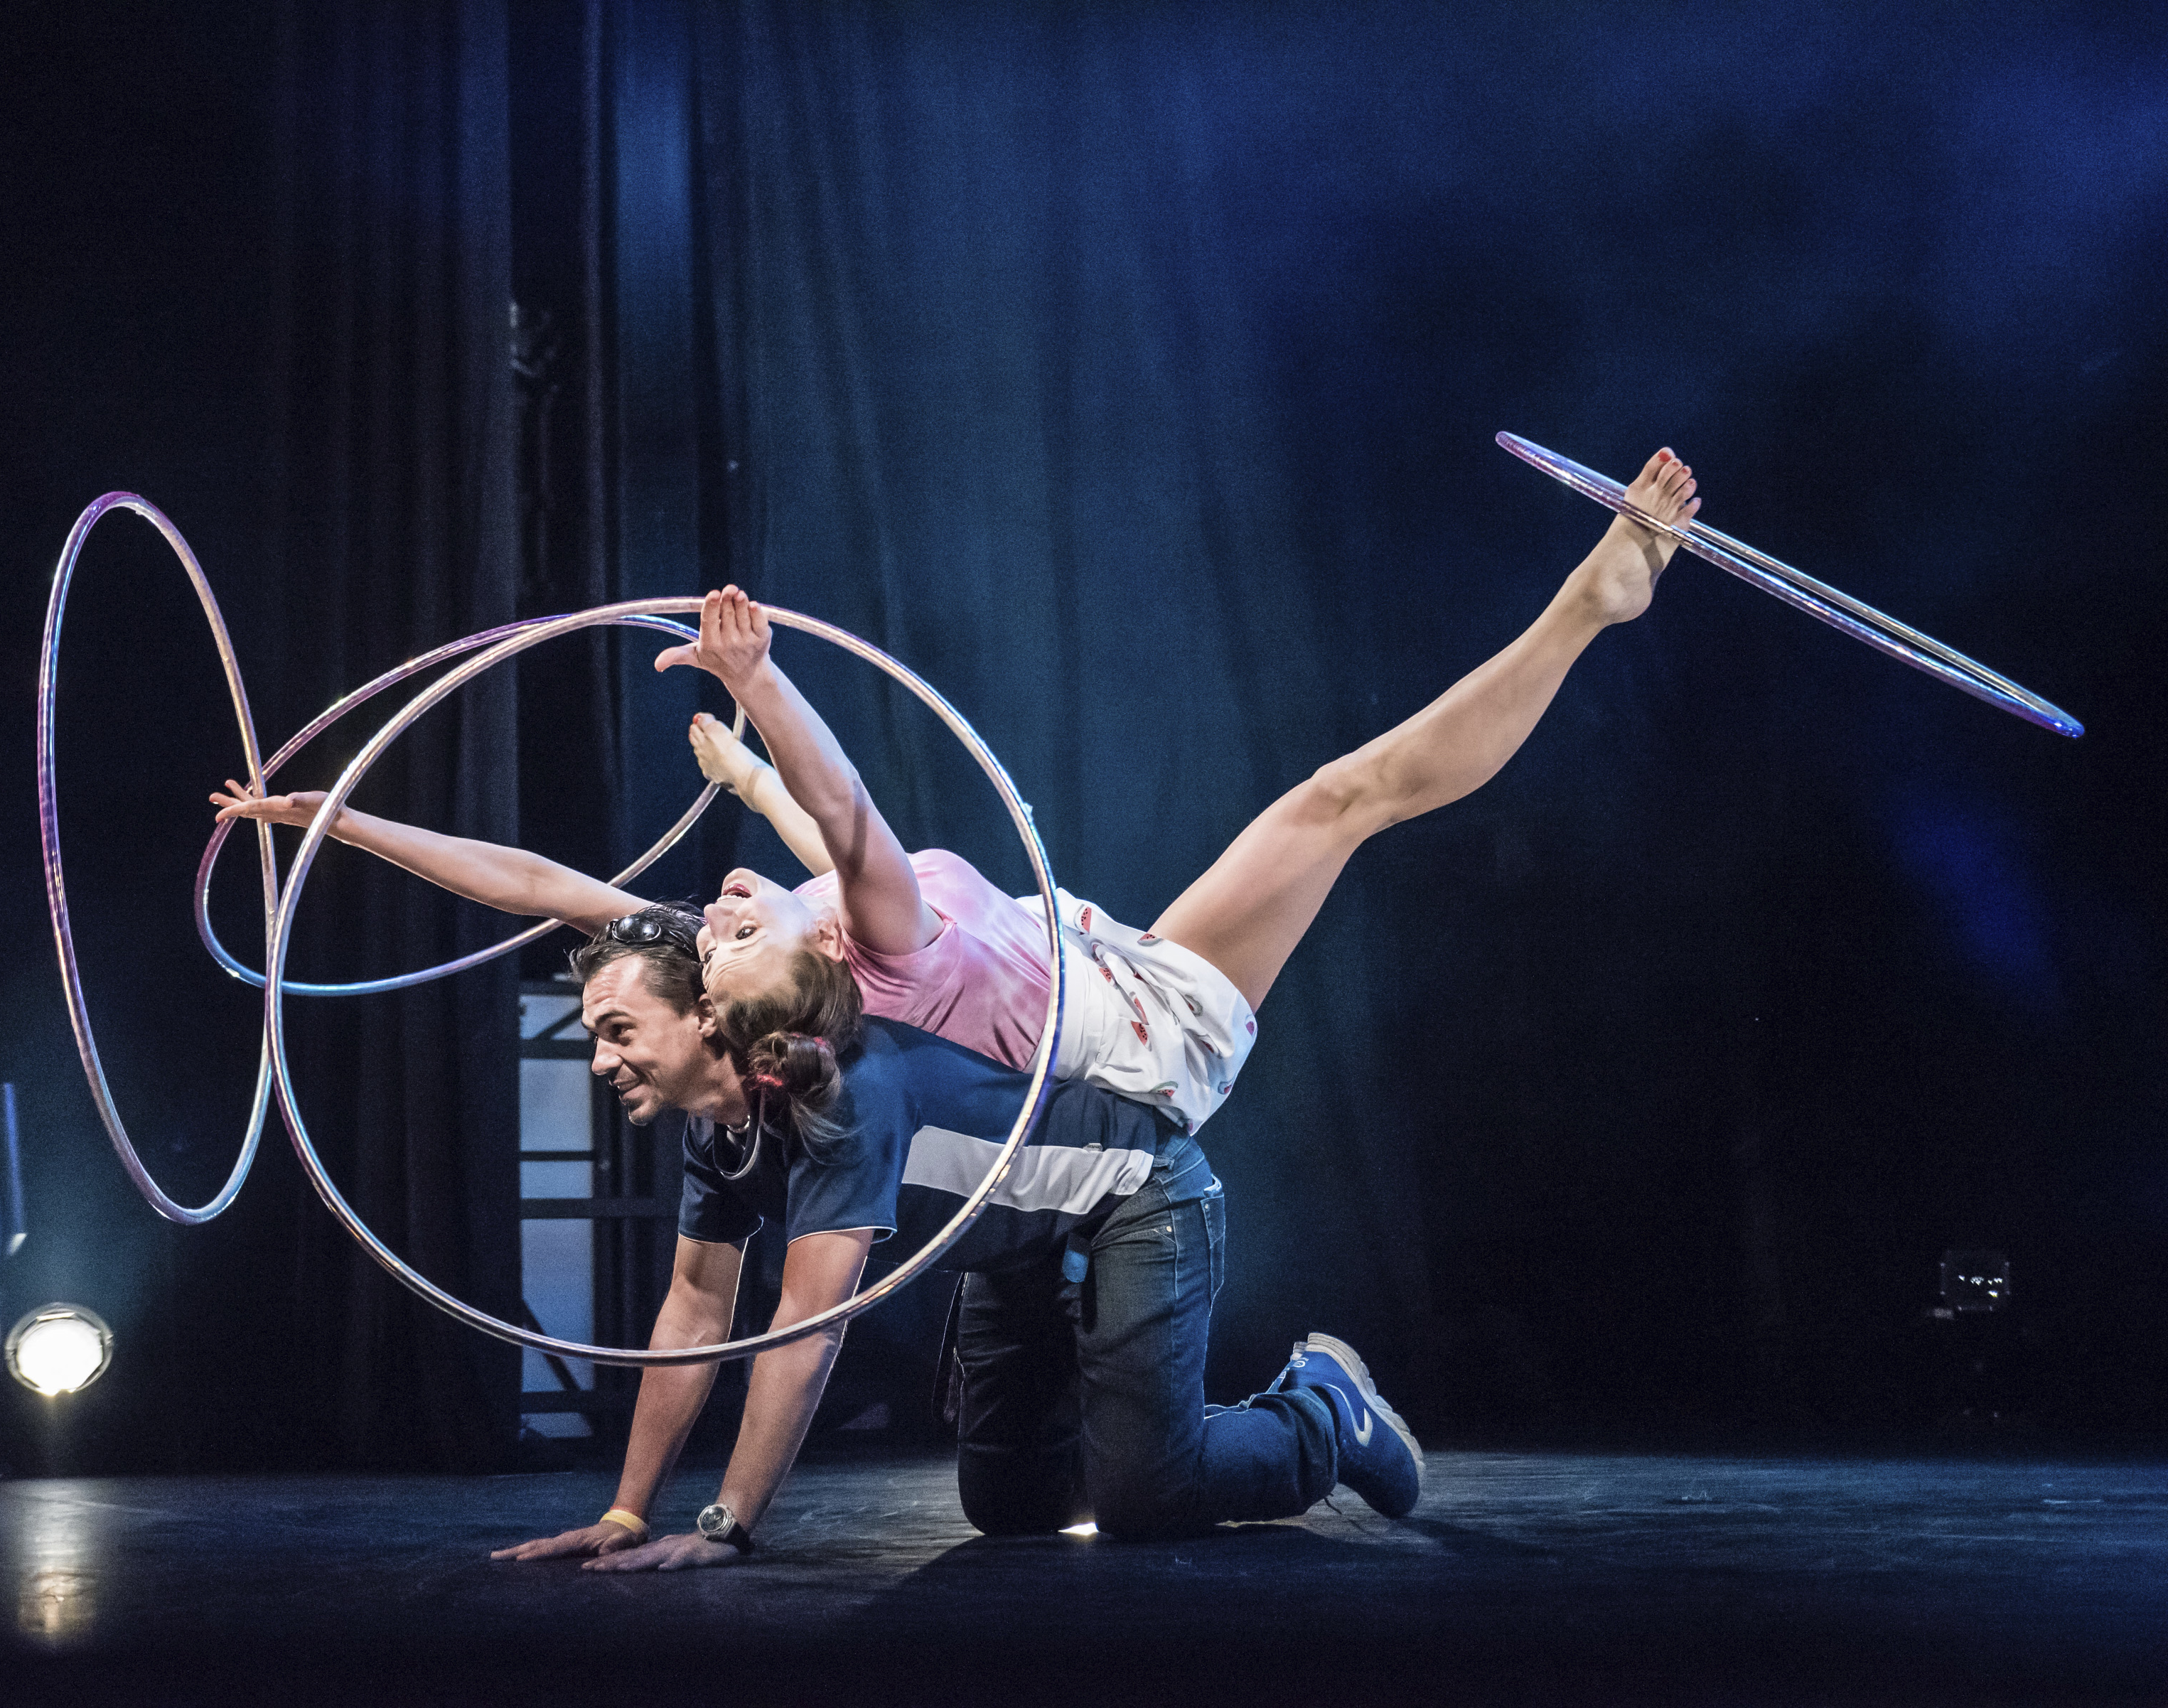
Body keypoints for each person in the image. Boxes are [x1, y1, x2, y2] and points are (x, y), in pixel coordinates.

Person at [657, 447, 1700, 1136]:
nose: (714, 918)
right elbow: (844, 816)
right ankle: (1589, 606)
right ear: (823, 954)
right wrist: (759, 679)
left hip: (1124, 984)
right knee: (1350, 798)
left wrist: (749, 776)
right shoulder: (888, 948)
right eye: (736, 940)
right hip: (1154, 1041)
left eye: (708, 940)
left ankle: (1592, 604)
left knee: (1346, 799)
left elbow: (820, 853)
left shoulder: (844, 932)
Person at [478, 912, 1420, 1567]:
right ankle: (1143, 1430)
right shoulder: (714, 1134)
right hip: (1012, 1250)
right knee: (1007, 1508)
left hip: (1138, 1200)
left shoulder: (835, 1095)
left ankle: (1323, 1411)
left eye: (617, 1029)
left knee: (1144, 1503)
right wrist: (627, 1511)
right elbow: (693, 1314)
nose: (600, 1059)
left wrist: (725, 1527)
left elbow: (808, 1324)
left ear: (705, 1017)